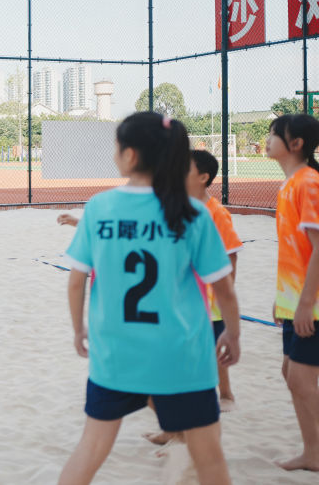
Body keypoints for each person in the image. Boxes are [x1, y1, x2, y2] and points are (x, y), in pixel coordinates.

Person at [58, 112, 240, 485]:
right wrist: (232, 333)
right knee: (209, 459)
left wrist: (78, 329)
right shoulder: (194, 213)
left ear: (130, 156)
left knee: (90, 450)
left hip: (116, 355)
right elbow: (224, 288)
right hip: (183, 357)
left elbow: (76, 282)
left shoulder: (99, 207)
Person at [143, 149, 244, 447]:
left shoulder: (216, 213)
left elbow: (230, 258)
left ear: (203, 177)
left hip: (208, 305)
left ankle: (223, 396)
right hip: (179, 303)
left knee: (211, 357)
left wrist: (224, 299)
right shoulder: (178, 208)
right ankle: (174, 428)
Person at [266, 114, 319, 472]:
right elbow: (294, 253)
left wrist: (305, 303)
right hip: (294, 300)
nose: (268, 139)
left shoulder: (309, 183)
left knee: (300, 379)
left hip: (310, 304)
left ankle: (314, 453)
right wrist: (284, 300)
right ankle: (313, 450)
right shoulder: (289, 184)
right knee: (292, 375)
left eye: (274, 134)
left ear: (296, 144)